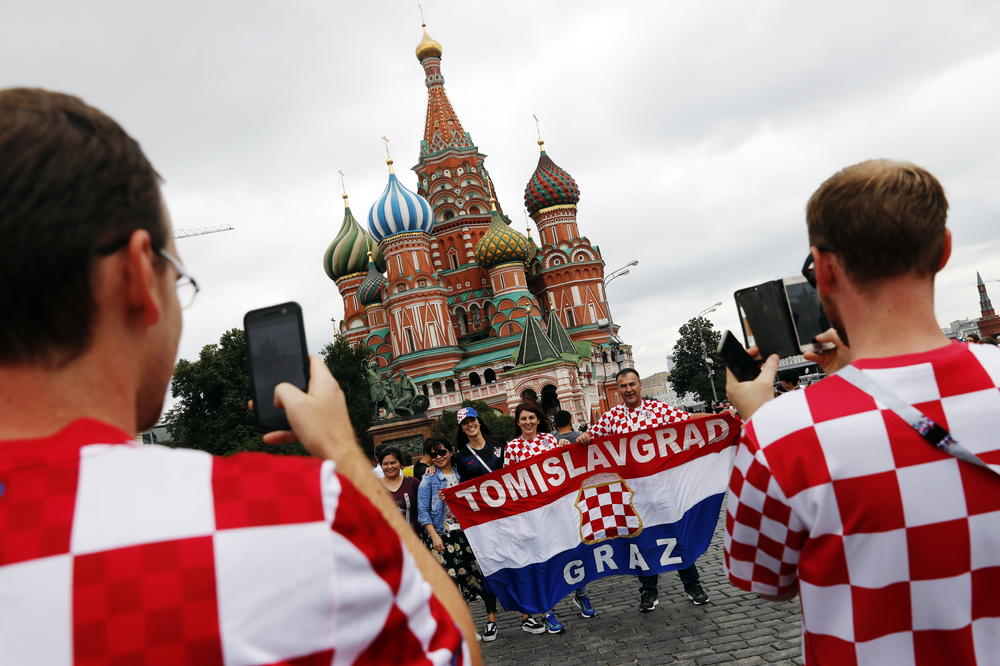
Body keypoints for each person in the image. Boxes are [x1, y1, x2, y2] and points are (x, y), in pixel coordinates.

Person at [0, 88, 478, 665]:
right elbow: (451, 649)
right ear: (135, 277)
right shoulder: (290, 521)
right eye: (176, 275)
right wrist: (343, 455)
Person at [724, 159, 1000, 665]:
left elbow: (762, 578)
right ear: (943, 251)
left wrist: (762, 419)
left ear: (823, 270)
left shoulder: (784, 434)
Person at [576, 368, 711, 611]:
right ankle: (648, 591)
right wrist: (582, 437)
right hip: (633, 496)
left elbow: (689, 422)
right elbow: (590, 437)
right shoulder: (611, 417)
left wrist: (719, 418)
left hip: (663, 489)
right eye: (623, 386)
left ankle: (693, 585)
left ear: (640, 386)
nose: (628, 389)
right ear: (618, 390)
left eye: (632, 384)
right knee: (642, 541)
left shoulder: (659, 410)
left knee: (676, 536)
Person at [505, 403, 596, 631]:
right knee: (543, 559)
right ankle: (547, 610)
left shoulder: (549, 440)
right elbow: (508, 479)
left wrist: (564, 446)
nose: (528, 422)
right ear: (518, 422)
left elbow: (567, 465)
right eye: (523, 418)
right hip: (533, 511)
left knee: (573, 549)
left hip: (558, 507)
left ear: (538, 420)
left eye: (531, 418)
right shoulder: (512, 447)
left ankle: (581, 594)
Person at [418, 439, 500, 642]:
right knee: (451, 584)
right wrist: (434, 536)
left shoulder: (462, 472)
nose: (439, 457)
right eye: (434, 454)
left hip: (467, 533)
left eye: (442, 452)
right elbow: (423, 512)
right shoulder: (428, 480)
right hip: (443, 536)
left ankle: (491, 620)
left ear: (451, 451)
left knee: (478, 578)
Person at [452, 406, 506, 483]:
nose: (470, 424)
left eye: (472, 420)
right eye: (465, 423)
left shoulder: (498, 441)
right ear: (462, 429)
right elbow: (465, 484)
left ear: (479, 422)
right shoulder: (461, 456)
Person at [379, 446, 421, 533]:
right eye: (385, 464)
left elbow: (425, 509)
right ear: (381, 466)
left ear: (401, 463)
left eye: (393, 462)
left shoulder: (413, 483)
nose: (389, 467)